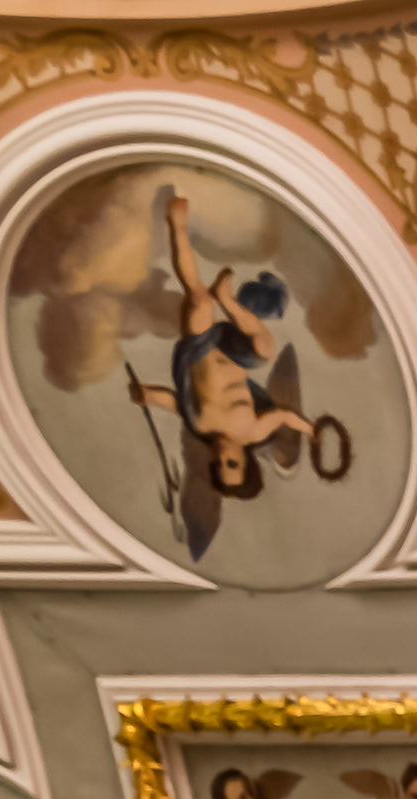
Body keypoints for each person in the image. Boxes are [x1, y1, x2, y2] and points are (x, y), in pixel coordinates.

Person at [127, 187, 314, 559]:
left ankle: (176, 224)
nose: (219, 458)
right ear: (244, 460)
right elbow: (285, 415)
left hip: (199, 349)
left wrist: (146, 395)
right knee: (264, 348)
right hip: (232, 351)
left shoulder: (201, 423)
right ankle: (227, 300)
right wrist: (313, 431)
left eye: (217, 466)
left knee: (196, 297)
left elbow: (173, 402)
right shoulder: (256, 430)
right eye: (230, 464)